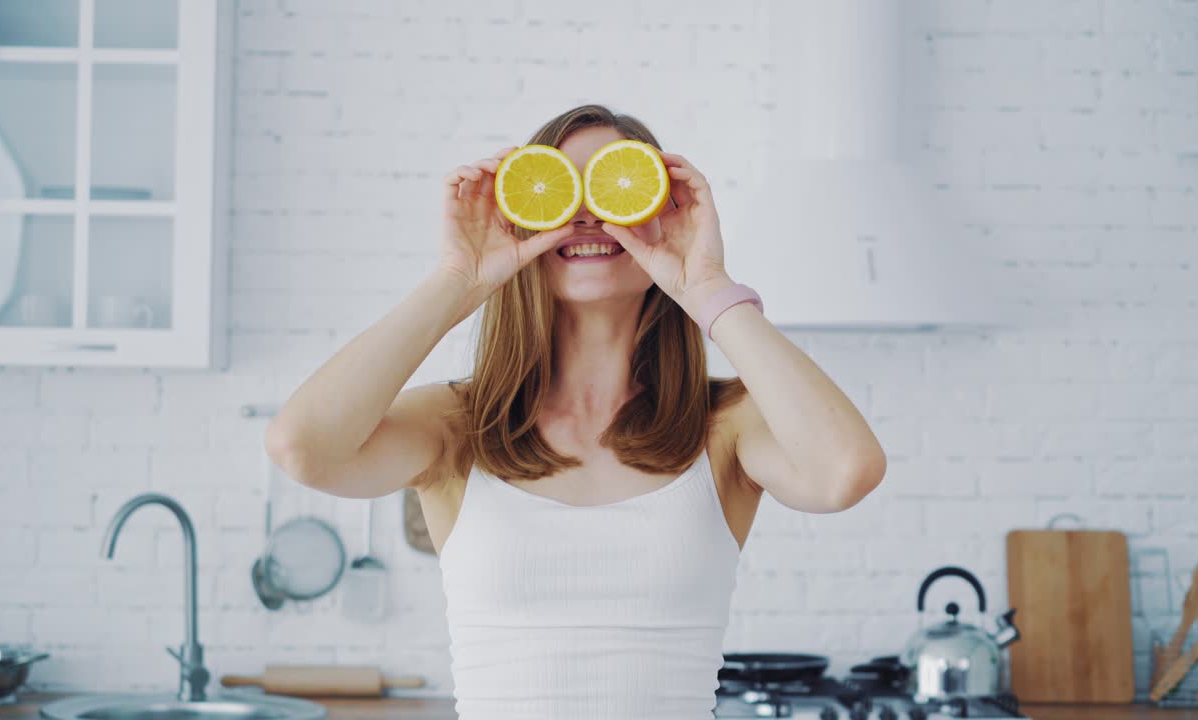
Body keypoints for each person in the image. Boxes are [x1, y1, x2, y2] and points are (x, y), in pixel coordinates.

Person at [264, 104, 887, 720]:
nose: (587, 211)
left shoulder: (726, 425)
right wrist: (459, 278)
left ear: (658, 210)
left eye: (614, 188)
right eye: (561, 189)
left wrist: (709, 290)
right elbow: (304, 448)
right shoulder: (457, 425)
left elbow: (845, 472)